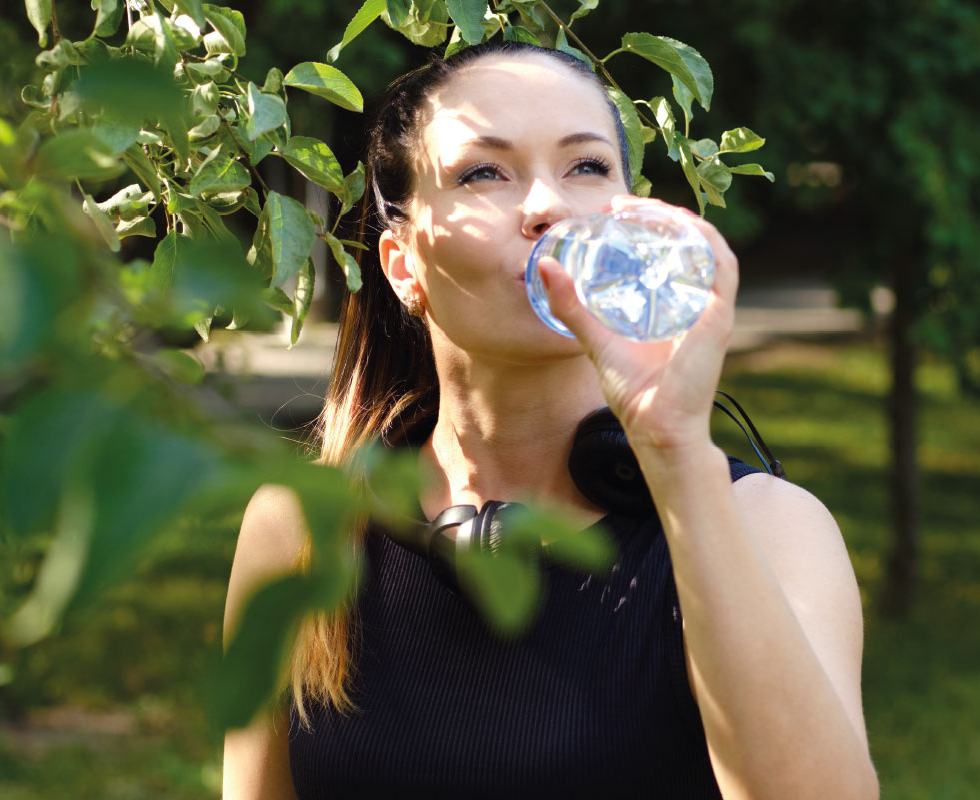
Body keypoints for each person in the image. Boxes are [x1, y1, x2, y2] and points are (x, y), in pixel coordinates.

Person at [222, 41, 878, 800]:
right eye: (484, 173)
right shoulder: (300, 532)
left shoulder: (770, 527)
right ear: (403, 265)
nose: (547, 206)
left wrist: (676, 453)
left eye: (587, 167)